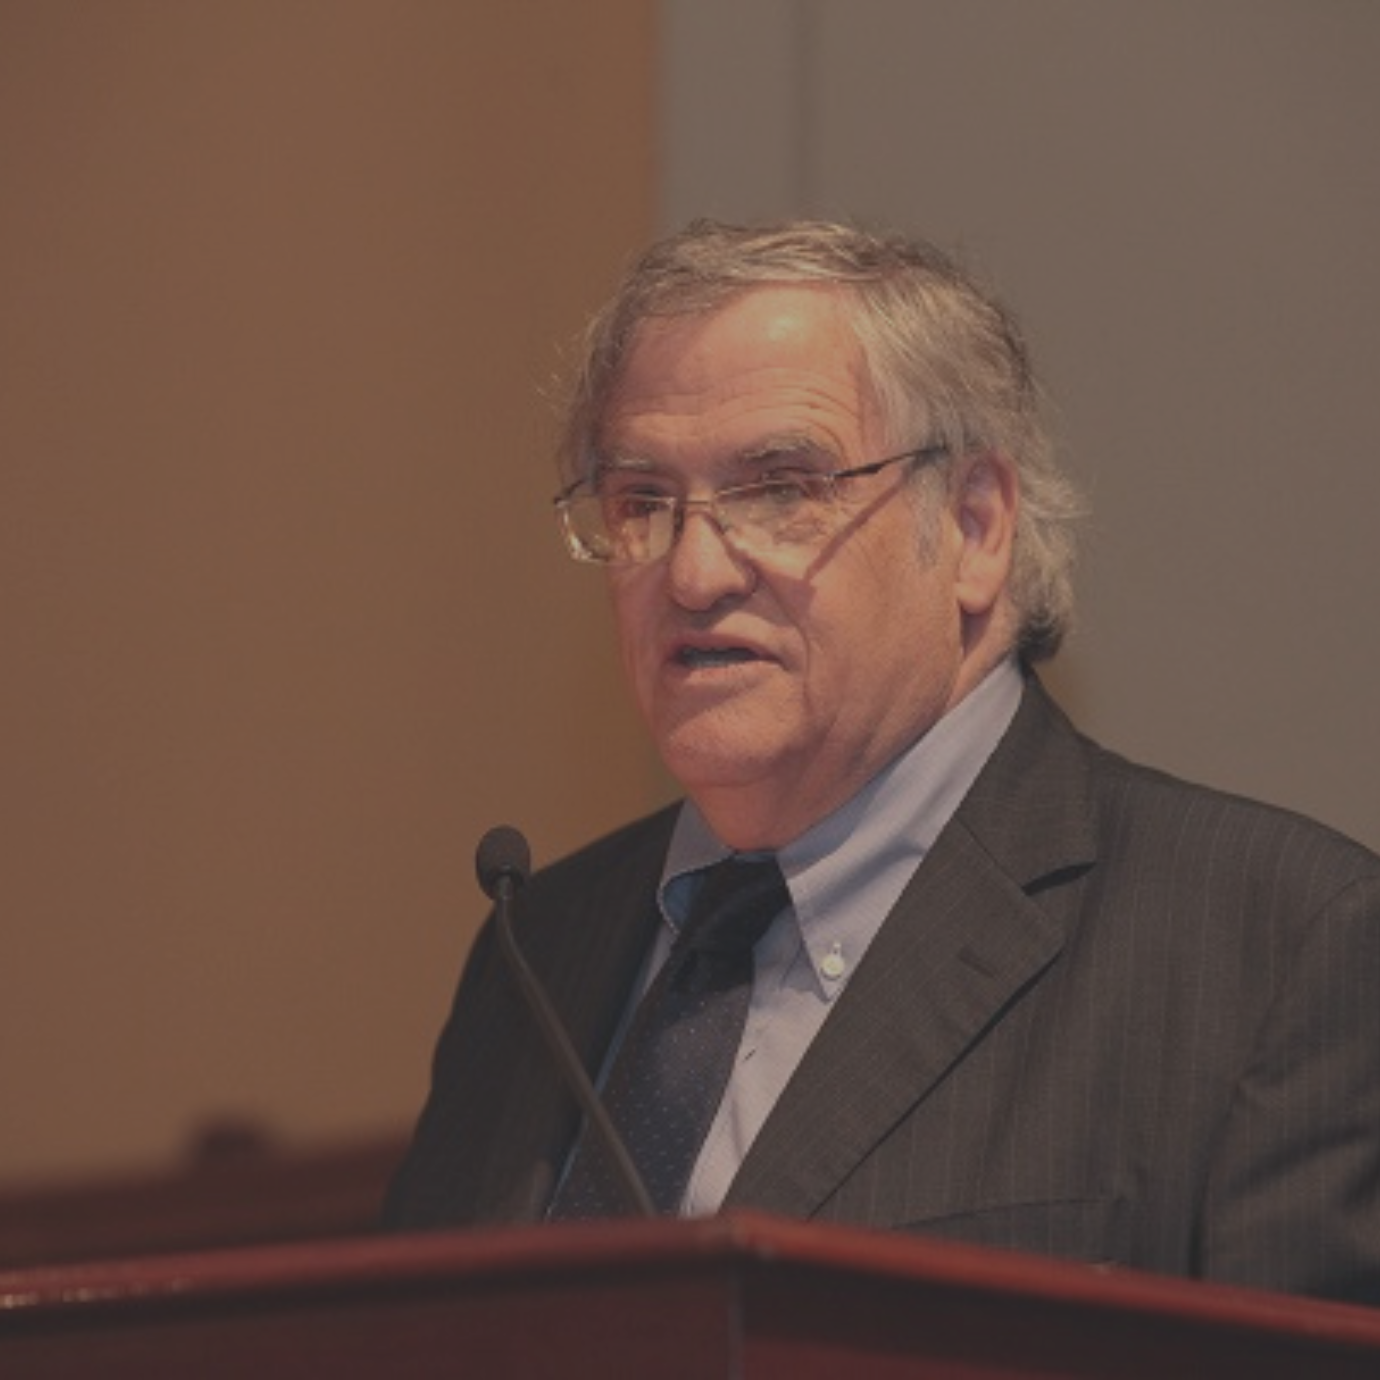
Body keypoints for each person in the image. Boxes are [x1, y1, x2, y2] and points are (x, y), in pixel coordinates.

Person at [383, 219, 1380, 1304]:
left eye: (780, 488)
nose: (695, 572)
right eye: (642, 504)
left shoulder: (1280, 946)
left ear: (974, 527)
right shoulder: (539, 948)